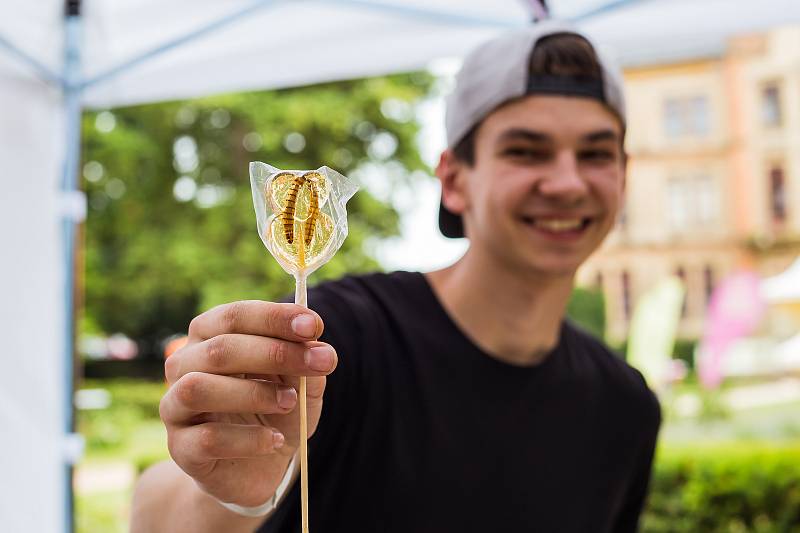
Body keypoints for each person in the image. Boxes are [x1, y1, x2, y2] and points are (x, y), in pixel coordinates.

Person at [131, 19, 661, 533]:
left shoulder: (624, 405)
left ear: (622, 174)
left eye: (594, 153)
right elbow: (157, 511)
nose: (567, 183)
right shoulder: (330, 340)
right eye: (526, 151)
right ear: (453, 180)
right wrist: (228, 495)